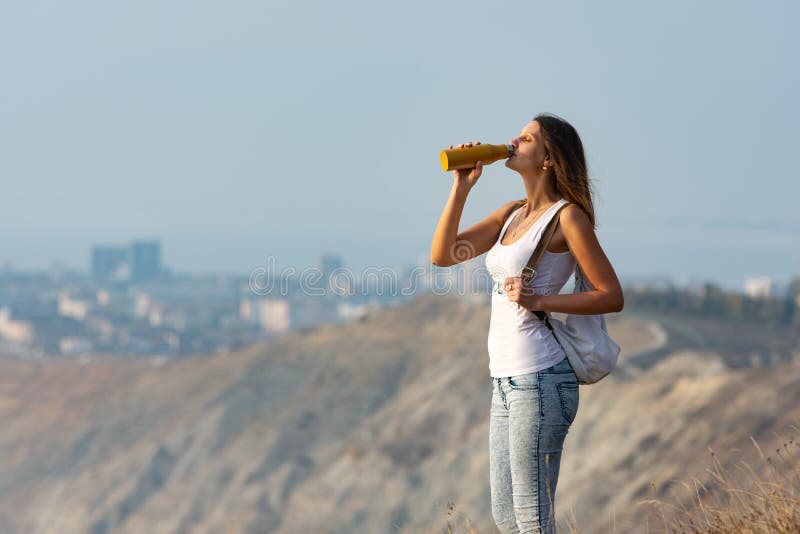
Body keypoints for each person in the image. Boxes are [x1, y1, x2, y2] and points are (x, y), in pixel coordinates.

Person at [430, 113, 624, 533]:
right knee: (506, 516)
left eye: (527, 137)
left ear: (549, 158)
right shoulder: (511, 214)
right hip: (504, 381)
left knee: (532, 519)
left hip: (540, 378)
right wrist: (460, 188)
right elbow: (445, 254)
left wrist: (540, 299)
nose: (513, 141)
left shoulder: (567, 218)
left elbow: (611, 295)